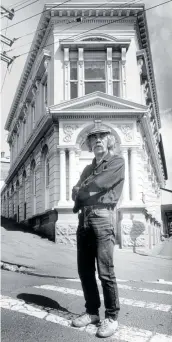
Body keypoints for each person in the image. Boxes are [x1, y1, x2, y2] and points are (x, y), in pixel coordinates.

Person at [71, 125, 125, 338]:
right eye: (93, 138)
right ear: (89, 143)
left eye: (102, 136)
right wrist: (83, 191)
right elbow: (76, 191)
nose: (98, 140)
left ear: (109, 140)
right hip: (84, 218)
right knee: (84, 270)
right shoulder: (87, 168)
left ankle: (111, 317)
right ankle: (92, 312)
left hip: (103, 217)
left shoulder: (117, 162)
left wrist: (83, 190)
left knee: (105, 271)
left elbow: (99, 185)